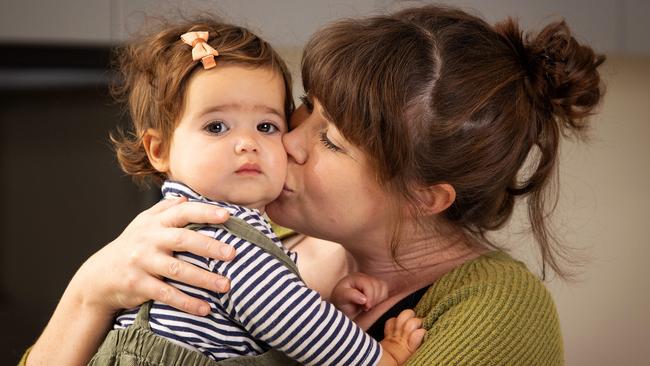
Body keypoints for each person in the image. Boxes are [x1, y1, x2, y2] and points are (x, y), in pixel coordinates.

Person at [24, 4, 605, 366]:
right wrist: (91, 290)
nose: (289, 141)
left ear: (423, 196)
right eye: (305, 108)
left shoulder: (498, 313)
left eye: (332, 141)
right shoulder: (263, 236)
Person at [83, 18, 423, 366]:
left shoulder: (178, 228)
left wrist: (331, 310)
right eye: (216, 127)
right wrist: (383, 357)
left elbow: (266, 322)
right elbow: (297, 322)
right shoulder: (218, 235)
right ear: (159, 149)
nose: (247, 143)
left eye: (266, 126)